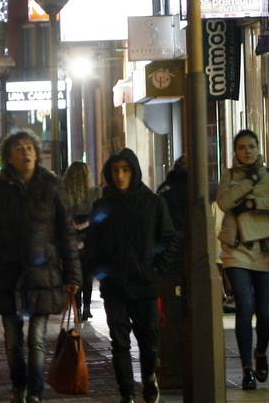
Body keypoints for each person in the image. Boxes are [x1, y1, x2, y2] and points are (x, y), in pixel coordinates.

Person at [0, 130, 81, 403]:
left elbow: (66, 233)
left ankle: (36, 392)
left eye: (30, 147)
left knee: (37, 338)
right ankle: (19, 386)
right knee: (13, 340)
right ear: (9, 156)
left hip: (43, 272)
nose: (26, 153)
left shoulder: (51, 185)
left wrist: (73, 274)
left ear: (37, 153)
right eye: (19, 149)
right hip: (8, 273)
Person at [87, 149, 176, 403]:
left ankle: (149, 380)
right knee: (119, 342)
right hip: (115, 286)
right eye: (115, 170)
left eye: (125, 170)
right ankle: (126, 392)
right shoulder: (102, 205)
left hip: (144, 284)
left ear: (134, 171)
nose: (119, 176)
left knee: (148, 340)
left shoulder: (153, 203)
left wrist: (155, 269)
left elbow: (168, 239)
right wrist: (102, 272)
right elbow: (92, 242)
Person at [216, 129, 269, 390]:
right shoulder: (228, 177)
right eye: (241, 147)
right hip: (237, 250)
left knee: (266, 311)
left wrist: (255, 204)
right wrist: (249, 183)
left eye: (251, 146)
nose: (247, 151)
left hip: (265, 250)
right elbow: (224, 202)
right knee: (245, 305)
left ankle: (260, 351)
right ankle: (247, 368)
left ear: (258, 148)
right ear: (235, 151)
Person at [61, 161, 100, 320]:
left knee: (73, 275)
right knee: (87, 274)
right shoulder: (95, 193)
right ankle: (87, 307)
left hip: (70, 240)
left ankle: (76, 307)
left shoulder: (64, 194)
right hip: (90, 239)